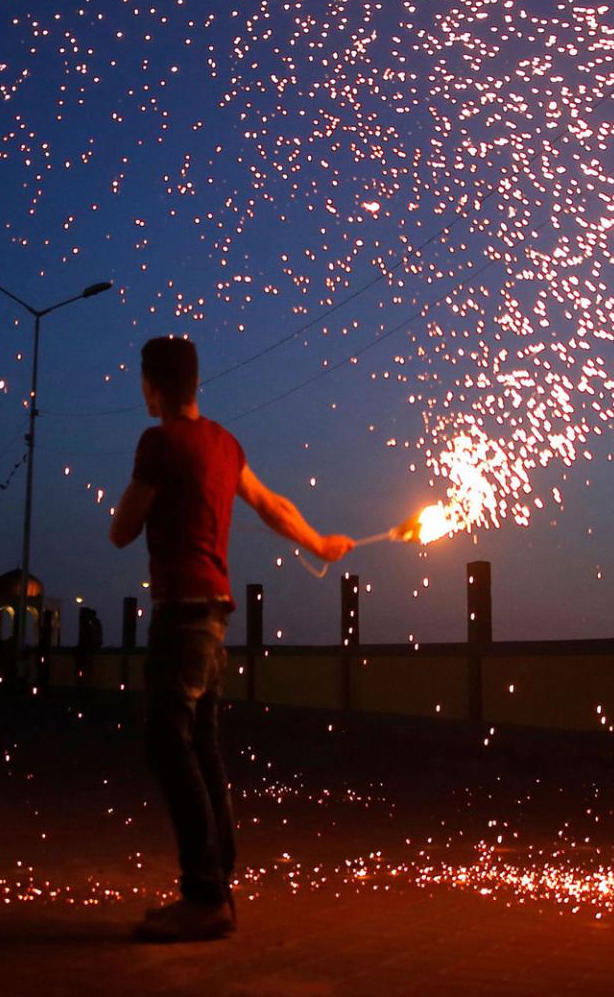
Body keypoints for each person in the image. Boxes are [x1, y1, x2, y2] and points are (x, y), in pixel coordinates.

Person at [109, 335, 354, 943]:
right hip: (217, 612)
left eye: (142, 381)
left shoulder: (159, 442)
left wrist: (140, 503)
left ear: (154, 385)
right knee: (203, 745)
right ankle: (215, 880)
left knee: (169, 743)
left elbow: (121, 529)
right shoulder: (225, 443)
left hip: (182, 610)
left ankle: (206, 895)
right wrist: (320, 543)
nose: (141, 391)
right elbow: (272, 506)